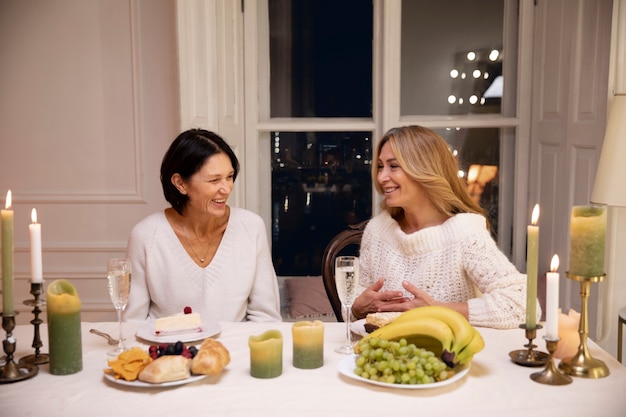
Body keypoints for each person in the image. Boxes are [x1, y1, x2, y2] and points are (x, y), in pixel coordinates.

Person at [351, 125, 537, 329]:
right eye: (380, 166)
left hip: (449, 356)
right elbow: (353, 310)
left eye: (393, 166)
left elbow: (524, 305)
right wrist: (356, 309)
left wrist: (438, 309)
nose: (381, 177)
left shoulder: (465, 232)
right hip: (385, 355)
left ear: (424, 169)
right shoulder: (378, 231)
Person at [125, 129, 282, 323]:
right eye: (214, 180)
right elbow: (133, 324)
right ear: (180, 183)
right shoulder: (146, 235)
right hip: (170, 351)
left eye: (229, 176)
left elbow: (266, 317)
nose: (226, 188)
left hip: (235, 351)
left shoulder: (251, 227)